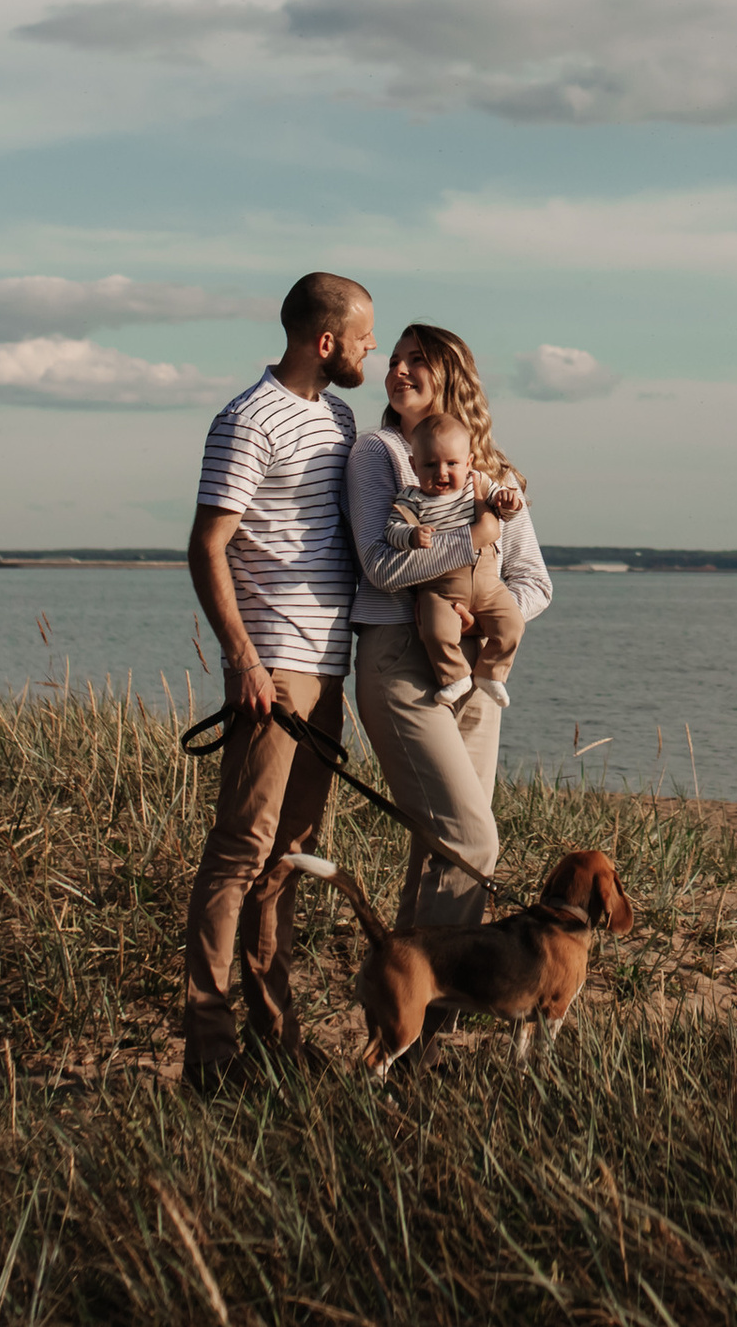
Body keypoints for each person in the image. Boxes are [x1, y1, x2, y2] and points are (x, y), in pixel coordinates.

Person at [180, 269, 374, 1094]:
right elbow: (206, 545)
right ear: (325, 341)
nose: (372, 348)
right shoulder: (246, 420)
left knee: (288, 859)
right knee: (240, 851)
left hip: (329, 669)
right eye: (365, 336)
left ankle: (276, 1036)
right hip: (274, 669)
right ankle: (208, 1050)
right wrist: (242, 659)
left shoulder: (339, 416)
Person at [349, 323, 552, 940]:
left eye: (418, 361)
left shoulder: (491, 476)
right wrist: (471, 542)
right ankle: (434, 1010)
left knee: (441, 851)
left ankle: (409, 1023)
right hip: (401, 661)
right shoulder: (378, 454)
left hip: (476, 673)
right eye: (394, 360)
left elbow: (535, 583)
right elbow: (381, 566)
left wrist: (483, 609)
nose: (399, 371)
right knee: (471, 841)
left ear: (451, 376)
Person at [385, 409, 526, 715]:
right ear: (414, 465)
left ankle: (491, 672)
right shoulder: (412, 499)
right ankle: (455, 676)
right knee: (435, 631)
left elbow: (505, 503)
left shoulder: (478, 484)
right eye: (430, 465)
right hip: (442, 587)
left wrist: (510, 502)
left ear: (469, 462)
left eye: (452, 464)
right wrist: (411, 536)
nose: (442, 473)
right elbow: (392, 530)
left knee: (513, 624)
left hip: (488, 583)